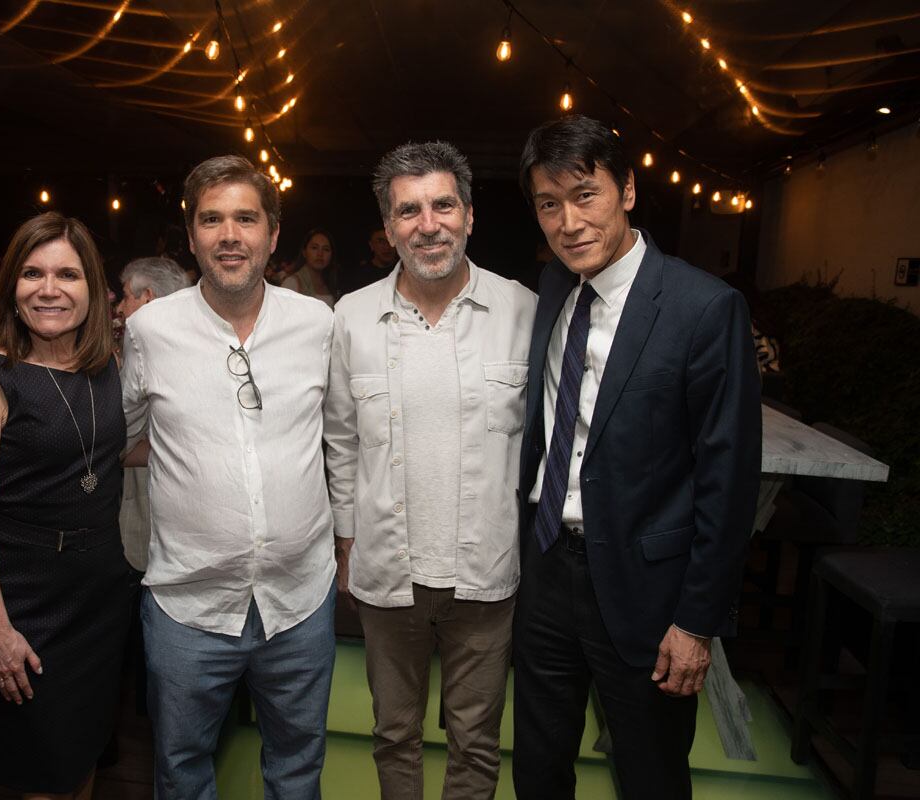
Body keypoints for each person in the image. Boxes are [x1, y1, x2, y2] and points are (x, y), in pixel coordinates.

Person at [511, 114, 761, 798]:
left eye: (584, 194)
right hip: (544, 570)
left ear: (626, 189)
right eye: (549, 204)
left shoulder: (704, 309)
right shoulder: (557, 290)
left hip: (648, 592)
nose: (569, 222)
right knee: (537, 766)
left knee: (649, 774)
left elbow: (728, 481)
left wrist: (696, 622)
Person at [325, 141, 536, 798]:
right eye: (408, 211)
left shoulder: (523, 312)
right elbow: (338, 439)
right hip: (389, 573)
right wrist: (343, 540)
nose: (428, 224)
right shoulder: (350, 317)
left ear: (469, 215)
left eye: (443, 205)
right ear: (389, 229)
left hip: (487, 575)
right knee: (394, 733)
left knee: (477, 741)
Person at [122, 155, 336, 799]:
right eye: (211, 220)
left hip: (299, 601)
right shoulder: (150, 329)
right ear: (190, 237)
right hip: (187, 604)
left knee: (297, 770)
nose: (229, 235)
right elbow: (114, 433)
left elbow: (347, 439)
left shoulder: (319, 324)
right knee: (181, 772)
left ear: (273, 233)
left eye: (246, 218)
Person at [0, 212, 132, 798]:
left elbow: (98, 454)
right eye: (33, 273)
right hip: (27, 598)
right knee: (40, 767)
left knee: (83, 749)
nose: (49, 289)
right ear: (11, 285)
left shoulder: (105, 367)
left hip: (101, 592)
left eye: (67, 275)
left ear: (92, 289)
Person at [112, 256, 191, 572]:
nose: (119, 307)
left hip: (156, 506)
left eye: (126, 296)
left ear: (148, 298)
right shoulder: (191, 338)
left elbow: (116, 440)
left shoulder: (146, 342)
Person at [281, 228, 338, 307]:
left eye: (326, 249)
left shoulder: (331, 284)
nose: (320, 254)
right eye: (314, 248)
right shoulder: (292, 283)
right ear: (304, 252)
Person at [342, 225, 398, 294]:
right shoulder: (358, 275)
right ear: (371, 245)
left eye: (390, 240)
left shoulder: (404, 271)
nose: (387, 246)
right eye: (380, 241)